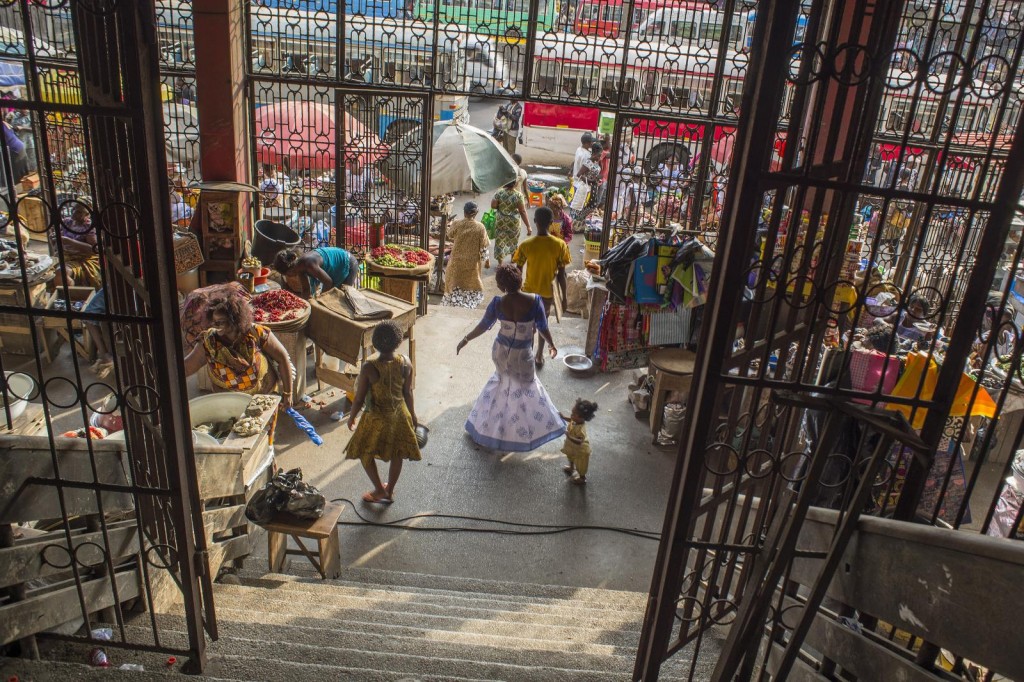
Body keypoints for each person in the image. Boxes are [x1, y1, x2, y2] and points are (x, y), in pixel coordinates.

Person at [457, 263, 565, 452]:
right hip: (522, 355)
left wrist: (466, 339)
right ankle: (529, 430)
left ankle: (487, 428)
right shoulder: (535, 301)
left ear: (501, 286)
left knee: (500, 386)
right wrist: (551, 344)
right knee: (527, 388)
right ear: (520, 279)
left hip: (500, 352)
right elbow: (542, 326)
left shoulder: (498, 303)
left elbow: (483, 325)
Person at [345, 321, 420, 504]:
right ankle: (390, 490)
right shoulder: (405, 362)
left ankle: (379, 489)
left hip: (376, 418)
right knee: (398, 453)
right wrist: (413, 414)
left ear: (374, 343)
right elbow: (408, 392)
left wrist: (352, 416)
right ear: (399, 341)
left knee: (364, 451)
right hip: (399, 415)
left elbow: (359, 398)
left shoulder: (369, 368)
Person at [182, 295, 294, 405]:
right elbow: (186, 368)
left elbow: (282, 358)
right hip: (230, 405)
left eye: (220, 321)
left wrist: (288, 393)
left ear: (234, 320)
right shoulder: (208, 342)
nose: (215, 325)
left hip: (263, 398)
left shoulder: (255, 332)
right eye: (213, 321)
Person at [513, 207, 570, 367]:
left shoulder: (526, 245)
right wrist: (564, 298)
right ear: (552, 223)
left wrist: (515, 293)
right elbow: (562, 275)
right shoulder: (560, 245)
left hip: (528, 294)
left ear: (535, 222)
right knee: (542, 324)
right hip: (547, 295)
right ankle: (539, 356)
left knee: (529, 326)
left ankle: (528, 356)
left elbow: (517, 271)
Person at [442, 201, 489, 309]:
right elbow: (484, 248)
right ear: (476, 213)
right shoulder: (480, 227)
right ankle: (467, 306)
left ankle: (453, 305)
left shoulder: (457, 224)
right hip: (471, 264)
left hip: (456, 261)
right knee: (469, 284)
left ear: (464, 213)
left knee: (454, 283)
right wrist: (486, 260)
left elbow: (449, 235)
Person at [273, 246, 359, 297]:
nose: (288, 277)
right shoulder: (299, 267)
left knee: (342, 298)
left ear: (290, 269)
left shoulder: (308, 263)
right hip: (337, 267)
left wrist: (321, 299)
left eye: (286, 274)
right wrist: (304, 305)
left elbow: (328, 282)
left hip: (349, 263)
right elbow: (306, 290)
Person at [55, 203, 102, 288]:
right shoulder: (67, 222)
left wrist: (70, 242)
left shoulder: (88, 227)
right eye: (74, 209)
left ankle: (72, 297)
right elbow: (58, 242)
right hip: (65, 256)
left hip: (82, 259)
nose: (74, 213)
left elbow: (95, 250)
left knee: (61, 274)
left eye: (79, 212)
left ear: (87, 215)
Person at [490, 179, 531, 266]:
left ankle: (500, 264)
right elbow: (522, 211)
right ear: (515, 183)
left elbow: (493, 205)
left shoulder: (499, 192)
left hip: (501, 222)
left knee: (499, 242)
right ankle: (513, 259)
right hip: (514, 223)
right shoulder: (518, 195)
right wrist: (528, 226)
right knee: (514, 241)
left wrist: (501, 206)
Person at [559, 398, 598, 485]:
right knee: (571, 457)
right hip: (573, 447)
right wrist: (563, 417)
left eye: (573, 414)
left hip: (581, 450)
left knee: (581, 465)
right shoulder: (575, 420)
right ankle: (571, 467)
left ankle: (582, 478)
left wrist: (569, 436)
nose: (571, 415)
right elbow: (571, 420)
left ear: (581, 418)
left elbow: (579, 441)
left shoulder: (581, 429)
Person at [84, 288, 114, 379]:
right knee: (89, 315)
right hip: (115, 285)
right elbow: (89, 315)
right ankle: (106, 356)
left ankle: (106, 356)